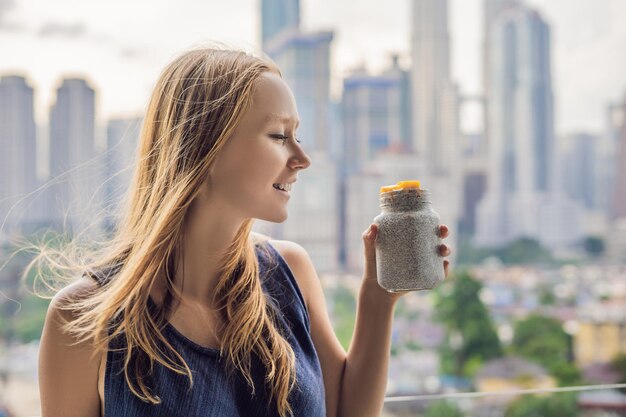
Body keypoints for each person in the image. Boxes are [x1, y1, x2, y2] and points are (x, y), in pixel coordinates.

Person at [37, 47, 452, 417]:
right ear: (205, 149)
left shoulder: (289, 271)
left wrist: (378, 296)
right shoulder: (82, 318)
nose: (302, 158)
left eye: (298, 136)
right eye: (278, 136)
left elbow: (345, 411)